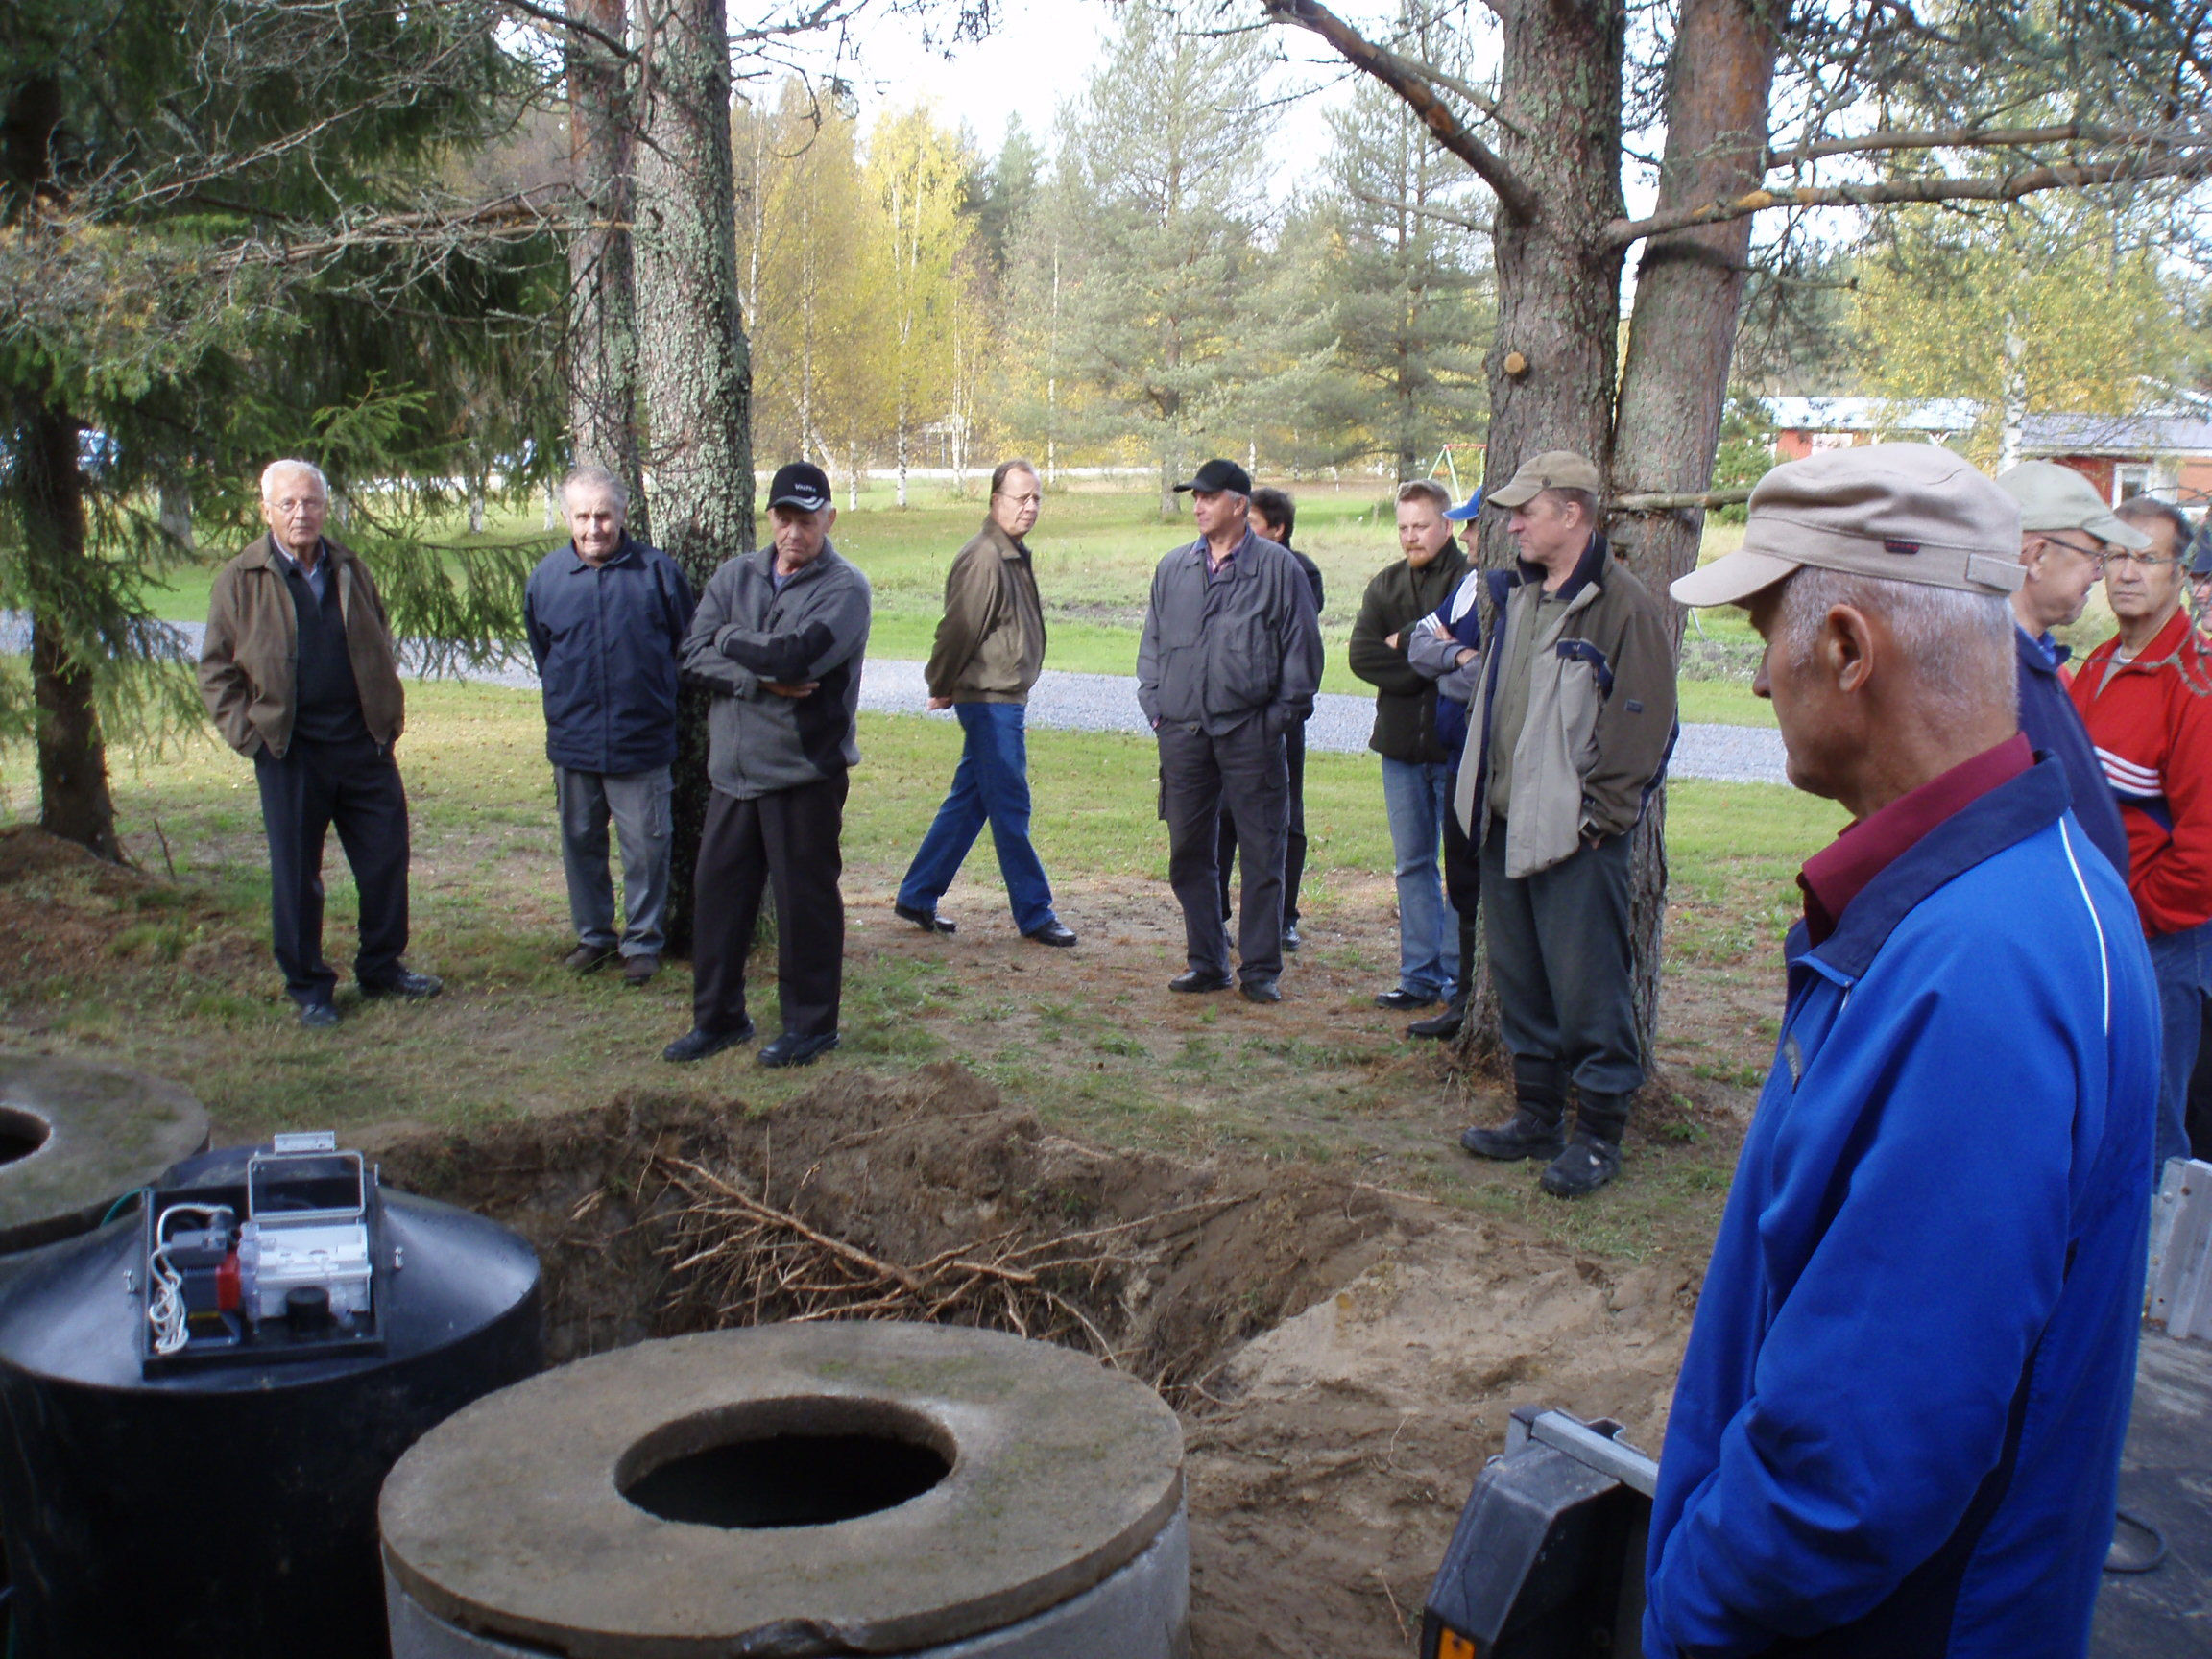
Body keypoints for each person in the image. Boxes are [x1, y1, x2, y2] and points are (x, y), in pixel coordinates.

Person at [1650, 442, 2157, 1659]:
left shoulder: (1979, 971)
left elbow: (1851, 1481)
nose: (1763, 686)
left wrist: (1683, 1611)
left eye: (1766, 637)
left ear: (1845, 647)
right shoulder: (2000, 901)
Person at [1448, 451, 1676, 1196]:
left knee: (1589, 993)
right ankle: (1538, 1117)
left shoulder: (1624, 606)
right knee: (1522, 986)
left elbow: (1644, 724)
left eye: (1527, 510)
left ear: (1572, 515)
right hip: (1504, 828)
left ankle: (1600, 1137)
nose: (1512, 522)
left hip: (1576, 842)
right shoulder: (1519, 595)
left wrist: (1600, 822)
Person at [199, 459, 442, 1026]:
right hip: (290, 753)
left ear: (325, 507)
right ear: (266, 511)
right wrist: (251, 737)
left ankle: (382, 966)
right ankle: (309, 988)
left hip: (363, 747)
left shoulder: (349, 566)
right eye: (287, 504)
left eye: (310, 502)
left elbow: (378, 637)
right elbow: (215, 671)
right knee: (297, 876)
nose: (300, 513)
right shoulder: (241, 578)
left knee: (385, 860)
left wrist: (385, 716)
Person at [662, 462, 871, 1068]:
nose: (793, 533)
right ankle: (720, 1018)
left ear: (828, 519)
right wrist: (754, 679)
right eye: (783, 518)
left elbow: (798, 658)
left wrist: (729, 640)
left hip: (804, 774)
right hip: (733, 773)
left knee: (804, 902)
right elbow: (690, 656)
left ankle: (812, 1026)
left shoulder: (846, 589)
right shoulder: (736, 576)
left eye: (807, 520)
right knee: (718, 898)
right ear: (770, 517)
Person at [1137, 458, 1323, 1003]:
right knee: (1189, 851)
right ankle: (1207, 960)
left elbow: (1303, 658)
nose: (1197, 505)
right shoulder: (1173, 567)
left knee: (1263, 852)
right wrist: (1156, 707)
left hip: (1251, 734)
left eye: (1209, 497)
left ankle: (1260, 969)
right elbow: (1152, 645)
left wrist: (1272, 724)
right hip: (1183, 733)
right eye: (1195, 496)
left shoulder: (1279, 569)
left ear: (1239, 505)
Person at [2070, 492, 2212, 1172]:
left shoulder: (2195, 684)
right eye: (2115, 555)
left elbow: (2205, 853)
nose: (2127, 573)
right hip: (2093, 931)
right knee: (2088, 1111)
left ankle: (2156, 1280)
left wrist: (2135, 915)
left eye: (2146, 559)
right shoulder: (2096, 667)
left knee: (2149, 1133)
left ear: (2180, 574)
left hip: (2158, 945)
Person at [524, 465, 696, 986]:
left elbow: (684, 649)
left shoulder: (657, 574)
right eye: (582, 516)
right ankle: (594, 937)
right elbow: (542, 650)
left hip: (640, 743)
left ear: (622, 515)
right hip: (573, 742)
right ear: (566, 518)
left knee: (646, 848)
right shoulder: (547, 580)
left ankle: (643, 943)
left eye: (603, 515)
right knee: (580, 843)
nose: (594, 526)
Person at [893, 459, 1076, 948]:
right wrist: (941, 680)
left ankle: (917, 893)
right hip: (990, 702)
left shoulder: (1009, 553)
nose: (1030, 507)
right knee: (1010, 805)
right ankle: (1035, 912)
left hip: (1002, 698)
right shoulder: (986, 558)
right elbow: (957, 629)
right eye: (1021, 498)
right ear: (995, 501)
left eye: (1036, 497)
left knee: (970, 802)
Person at [1348, 479, 1471, 1012]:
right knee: (1412, 864)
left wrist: (1415, 648)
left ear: (1447, 525)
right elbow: (1362, 657)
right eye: (1402, 527)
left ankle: (1455, 975)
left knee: (1462, 864)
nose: (1410, 537)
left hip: (1455, 749)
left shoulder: (1469, 584)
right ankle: (1417, 974)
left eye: (1420, 526)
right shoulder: (1385, 586)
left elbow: (1480, 660)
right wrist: (1435, 659)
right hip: (1399, 747)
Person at [1990, 461, 2135, 875]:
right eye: (2094, 553)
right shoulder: (1992, 676)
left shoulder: (2027, 657)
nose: (2099, 570)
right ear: (2037, 557)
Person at [1215, 486, 1324, 950]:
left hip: (1277, 721)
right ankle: (1216, 912)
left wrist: (1279, 715)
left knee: (1284, 818)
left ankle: (1283, 916)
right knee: (1223, 814)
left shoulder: (1299, 572)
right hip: (1226, 717)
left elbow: (1293, 642)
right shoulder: (1227, 566)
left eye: (1254, 524)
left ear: (1277, 530)